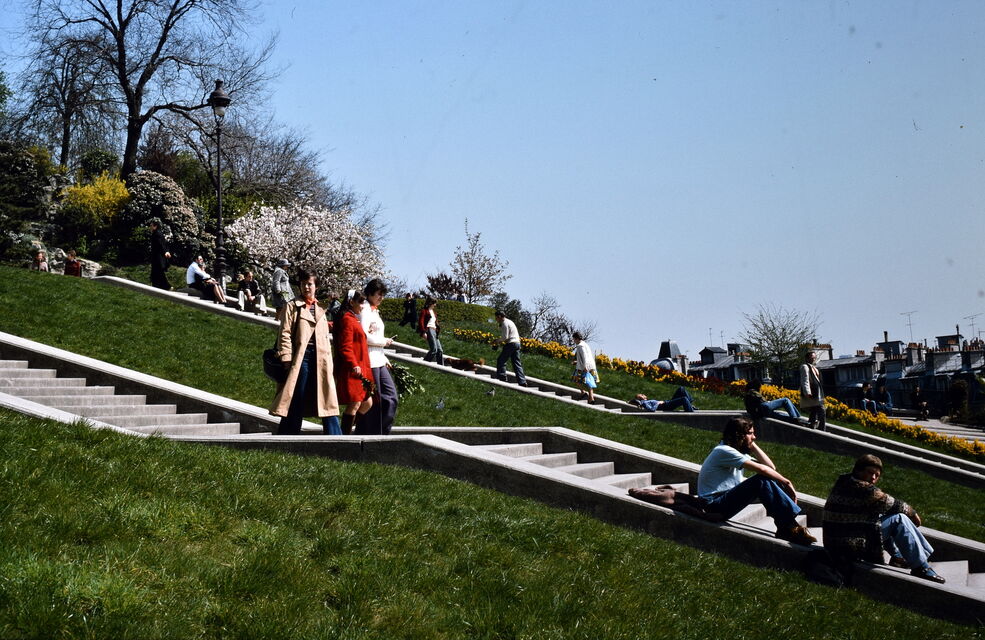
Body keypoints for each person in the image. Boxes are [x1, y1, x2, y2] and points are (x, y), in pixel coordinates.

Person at [822, 454, 945, 583]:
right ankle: (921, 567)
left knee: (880, 518)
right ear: (858, 470)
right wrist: (913, 513)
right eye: (870, 473)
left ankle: (898, 557)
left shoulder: (844, 481)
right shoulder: (862, 488)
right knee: (898, 519)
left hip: (835, 543)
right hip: (849, 546)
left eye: (877, 475)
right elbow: (892, 504)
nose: (873, 478)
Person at [697, 417, 816, 545]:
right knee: (761, 481)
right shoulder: (724, 451)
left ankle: (786, 526)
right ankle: (789, 527)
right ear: (739, 435)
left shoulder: (734, 451)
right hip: (712, 505)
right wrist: (787, 483)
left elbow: (770, 467)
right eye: (750, 433)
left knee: (769, 478)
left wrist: (751, 444)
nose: (754, 437)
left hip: (721, 501)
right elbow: (762, 469)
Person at [269, 270, 341, 435]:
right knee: (297, 394)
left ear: (316, 286)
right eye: (303, 284)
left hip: (322, 357)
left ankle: (335, 437)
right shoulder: (292, 306)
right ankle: (288, 433)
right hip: (301, 357)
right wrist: (286, 357)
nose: (306, 287)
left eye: (310, 284)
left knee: (328, 397)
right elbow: (284, 333)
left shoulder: (321, 308)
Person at [359, 278, 398, 435]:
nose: (381, 297)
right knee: (376, 401)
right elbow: (363, 336)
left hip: (379, 360)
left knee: (391, 398)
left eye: (383, 294)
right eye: (378, 294)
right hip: (369, 361)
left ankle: (382, 432)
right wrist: (384, 342)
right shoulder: (365, 310)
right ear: (369, 294)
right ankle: (370, 433)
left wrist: (384, 358)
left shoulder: (374, 310)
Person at [334, 290, 374, 434]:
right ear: (351, 302)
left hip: (361, 368)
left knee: (367, 402)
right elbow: (346, 346)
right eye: (361, 302)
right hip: (354, 369)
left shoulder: (352, 318)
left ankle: (347, 431)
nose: (363, 306)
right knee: (355, 403)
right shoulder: (347, 319)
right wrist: (354, 364)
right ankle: (345, 436)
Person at [494, 310, 527, 386]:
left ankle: (502, 377)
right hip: (517, 343)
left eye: (496, 318)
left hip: (511, 344)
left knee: (501, 360)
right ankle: (522, 381)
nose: (496, 320)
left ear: (499, 316)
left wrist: (497, 341)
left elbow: (505, 337)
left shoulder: (504, 323)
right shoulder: (510, 321)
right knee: (516, 363)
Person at [799, 351, 826, 431]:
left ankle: (811, 426)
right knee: (822, 410)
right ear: (807, 358)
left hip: (817, 393)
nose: (814, 359)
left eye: (814, 357)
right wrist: (807, 392)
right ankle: (822, 429)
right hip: (812, 393)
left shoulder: (814, 368)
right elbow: (805, 380)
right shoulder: (805, 367)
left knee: (814, 411)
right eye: (812, 357)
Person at [572, 331, 599, 402]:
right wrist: (577, 362)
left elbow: (584, 357)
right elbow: (587, 356)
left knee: (576, 379)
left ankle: (583, 392)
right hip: (591, 366)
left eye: (574, 339)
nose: (574, 341)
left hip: (583, 367)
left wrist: (585, 366)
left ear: (577, 338)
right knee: (589, 381)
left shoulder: (580, 346)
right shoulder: (585, 345)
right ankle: (591, 398)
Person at [418, 296, 444, 365]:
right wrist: (423, 332)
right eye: (434, 303)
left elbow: (435, 322)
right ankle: (424, 364)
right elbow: (421, 322)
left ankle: (441, 367)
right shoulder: (424, 311)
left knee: (440, 350)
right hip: (429, 330)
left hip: (435, 331)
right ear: (430, 303)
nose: (435, 305)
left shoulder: (434, 312)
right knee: (434, 349)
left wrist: (438, 328)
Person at [630, 386, 696, 412]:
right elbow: (652, 410)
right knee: (684, 399)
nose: (643, 394)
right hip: (666, 406)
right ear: (640, 398)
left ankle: (690, 405)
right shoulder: (644, 403)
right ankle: (690, 411)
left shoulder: (646, 401)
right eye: (641, 395)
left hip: (667, 403)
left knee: (681, 389)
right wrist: (657, 403)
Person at [148, 217, 171, 290]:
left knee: (159, 271)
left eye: (151, 226)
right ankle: (157, 285)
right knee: (156, 271)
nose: (150, 227)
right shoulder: (156, 233)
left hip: (158, 257)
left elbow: (161, 244)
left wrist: (165, 252)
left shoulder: (157, 234)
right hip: (156, 256)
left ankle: (166, 286)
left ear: (155, 226)